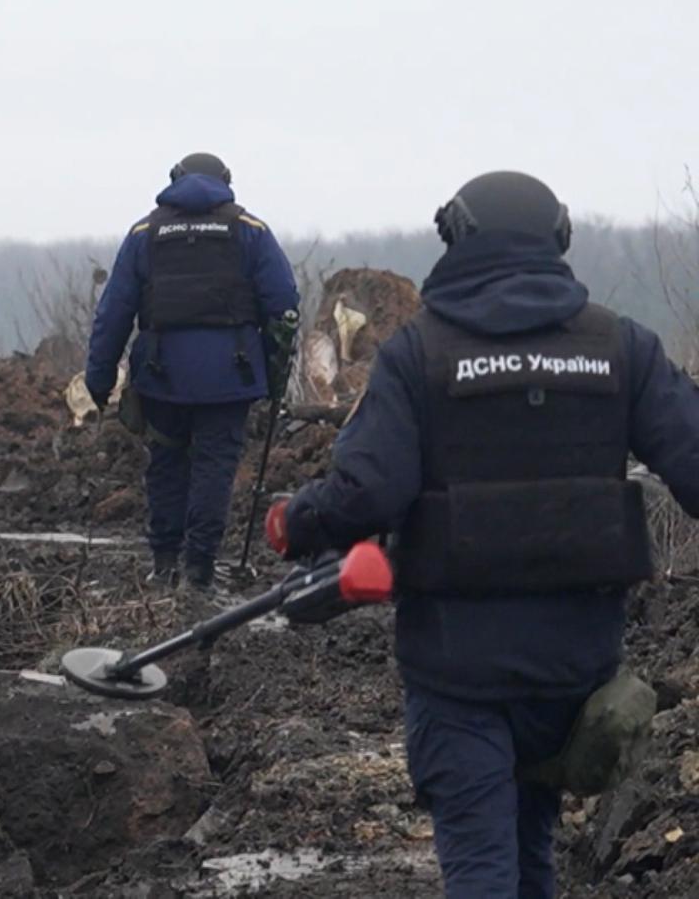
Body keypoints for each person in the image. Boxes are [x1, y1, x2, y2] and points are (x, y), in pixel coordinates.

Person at [272, 171, 699, 897]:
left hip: (457, 674)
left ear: (458, 241)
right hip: (577, 672)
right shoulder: (620, 347)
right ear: (558, 240)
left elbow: (367, 491)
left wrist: (295, 521)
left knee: (479, 866)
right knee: (533, 846)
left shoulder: (418, 356)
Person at [85, 152, 301, 590]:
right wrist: (275, 377)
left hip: (161, 376)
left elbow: (113, 313)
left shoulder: (145, 233)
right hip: (230, 379)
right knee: (214, 468)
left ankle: (164, 562)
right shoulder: (250, 231)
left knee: (165, 463)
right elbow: (284, 307)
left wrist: (99, 378)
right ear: (226, 181)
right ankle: (198, 569)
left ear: (174, 180)